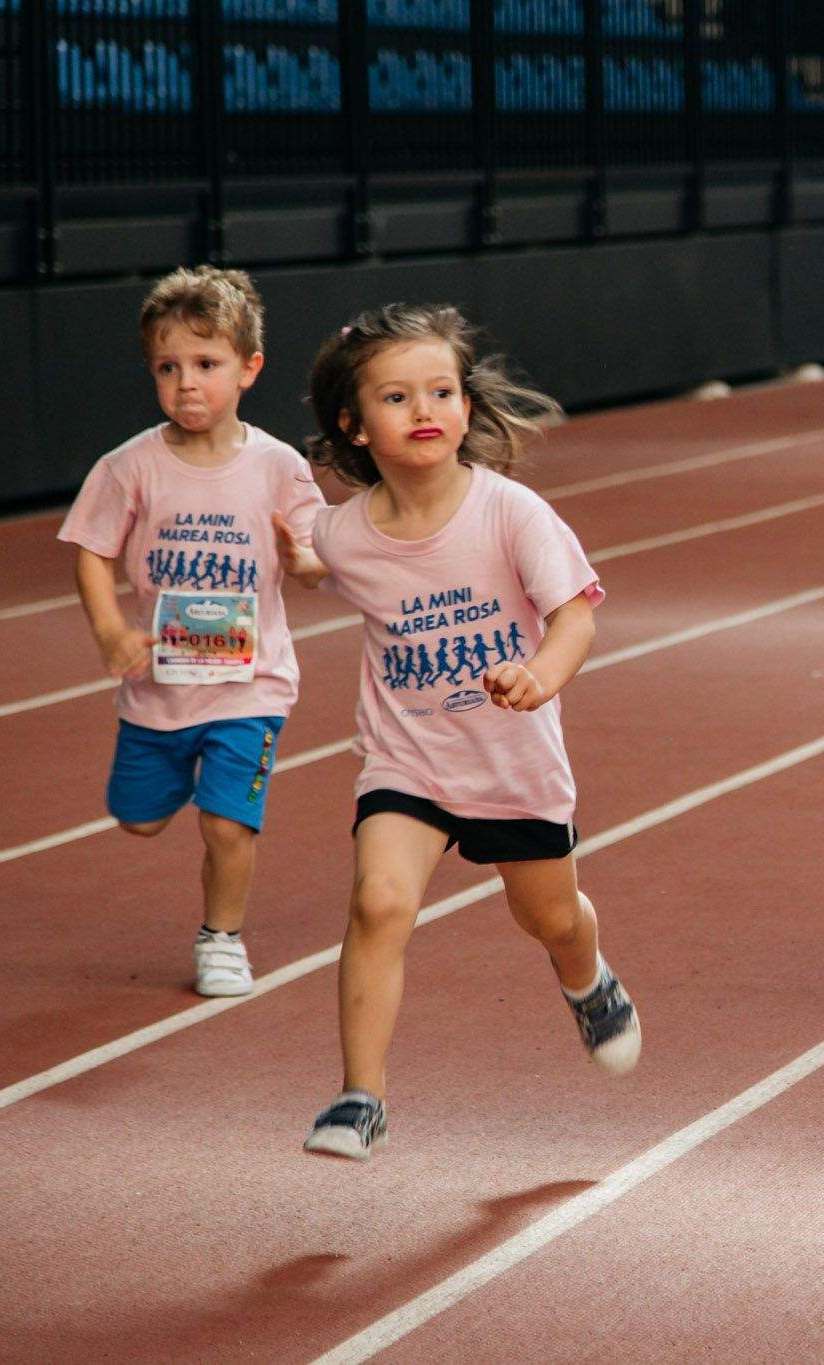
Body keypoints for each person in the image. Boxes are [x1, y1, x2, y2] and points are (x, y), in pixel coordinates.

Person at [278, 304, 637, 1161]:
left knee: (547, 917)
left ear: (468, 408)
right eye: (397, 397)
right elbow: (313, 555)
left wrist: (538, 676)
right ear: (352, 425)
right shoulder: (346, 532)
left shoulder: (511, 512)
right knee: (378, 903)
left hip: (512, 765)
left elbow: (574, 619)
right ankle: (360, 1095)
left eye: (441, 390)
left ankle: (586, 980)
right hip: (407, 760)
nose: (424, 409)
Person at [58, 265, 324, 997]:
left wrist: (305, 559)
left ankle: (222, 938)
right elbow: (90, 549)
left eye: (206, 365)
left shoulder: (278, 467)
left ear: (248, 368)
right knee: (138, 819)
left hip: (252, 683)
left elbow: (313, 558)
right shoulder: (130, 467)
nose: (187, 384)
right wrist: (112, 630)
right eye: (168, 368)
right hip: (159, 684)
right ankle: (174, 782)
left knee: (227, 824)